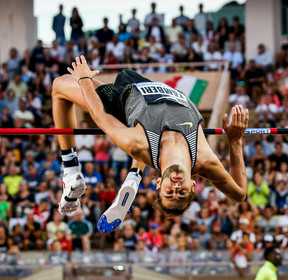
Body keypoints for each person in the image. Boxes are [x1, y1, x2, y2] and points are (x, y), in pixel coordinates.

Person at [52, 55, 249, 233]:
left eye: (169, 192)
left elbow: (100, 117)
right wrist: (235, 140)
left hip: (123, 99)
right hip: (149, 88)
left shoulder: (136, 143)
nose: (176, 187)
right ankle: (134, 175)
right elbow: (239, 194)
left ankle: (71, 172)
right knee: (150, 147)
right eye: (181, 193)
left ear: (158, 183)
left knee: (59, 86)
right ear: (192, 186)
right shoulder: (206, 160)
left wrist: (84, 79)